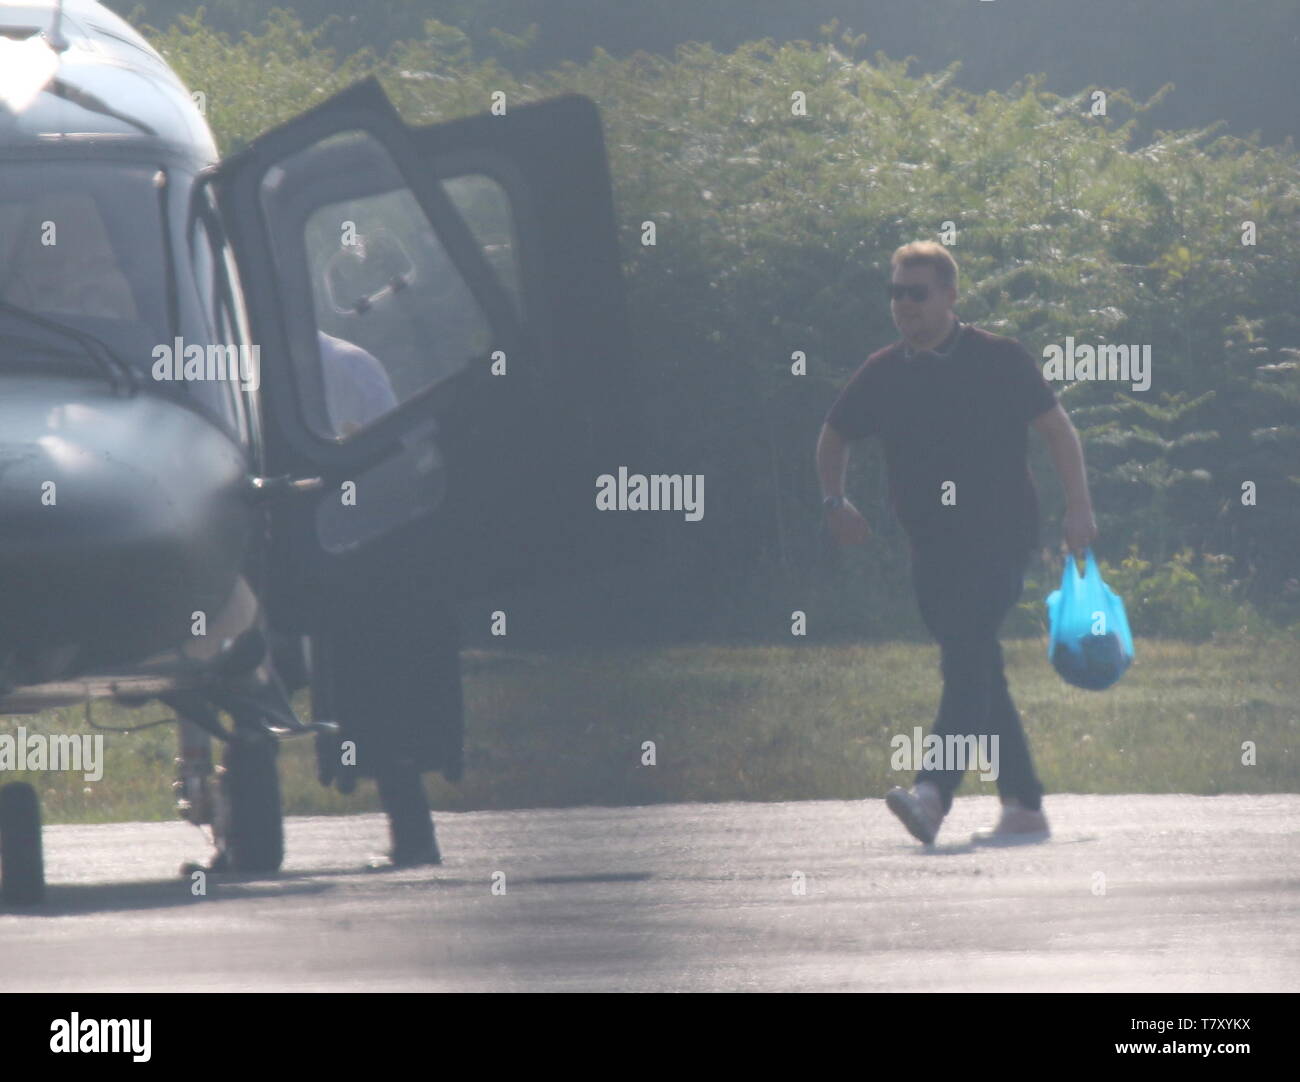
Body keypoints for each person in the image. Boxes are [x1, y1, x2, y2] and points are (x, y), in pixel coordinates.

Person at [816, 241, 1097, 846]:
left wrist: (1079, 506)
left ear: (949, 295)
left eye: (917, 292)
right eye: (896, 292)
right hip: (929, 544)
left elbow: (1058, 432)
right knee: (977, 665)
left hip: (1000, 537)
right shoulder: (885, 369)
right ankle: (1023, 805)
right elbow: (834, 434)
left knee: (967, 651)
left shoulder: (999, 358)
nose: (904, 304)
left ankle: (932, 793)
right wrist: (835, 501)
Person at [307, 328, 462, 866]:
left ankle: (413, 834)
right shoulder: (346, 363)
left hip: (360, 550)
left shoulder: (348, 367)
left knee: (372, 684)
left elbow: (389, 456)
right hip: (326, 543)